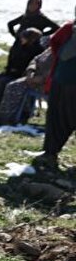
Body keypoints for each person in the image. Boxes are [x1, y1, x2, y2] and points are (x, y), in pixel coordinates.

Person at [35, 18, 76, 170]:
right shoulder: (69, 28)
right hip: (62, 80)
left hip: (65, 79)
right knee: (56, 117)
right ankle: (50, 153)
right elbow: (55, 44)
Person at [0, 27, 45, 113]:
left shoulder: (38, 51)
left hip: (23, 75)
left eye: (24, 37)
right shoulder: (21, 47)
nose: (21, 39)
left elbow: (32, 66)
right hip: (13, 72)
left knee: (3, 82)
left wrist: (18, 71)